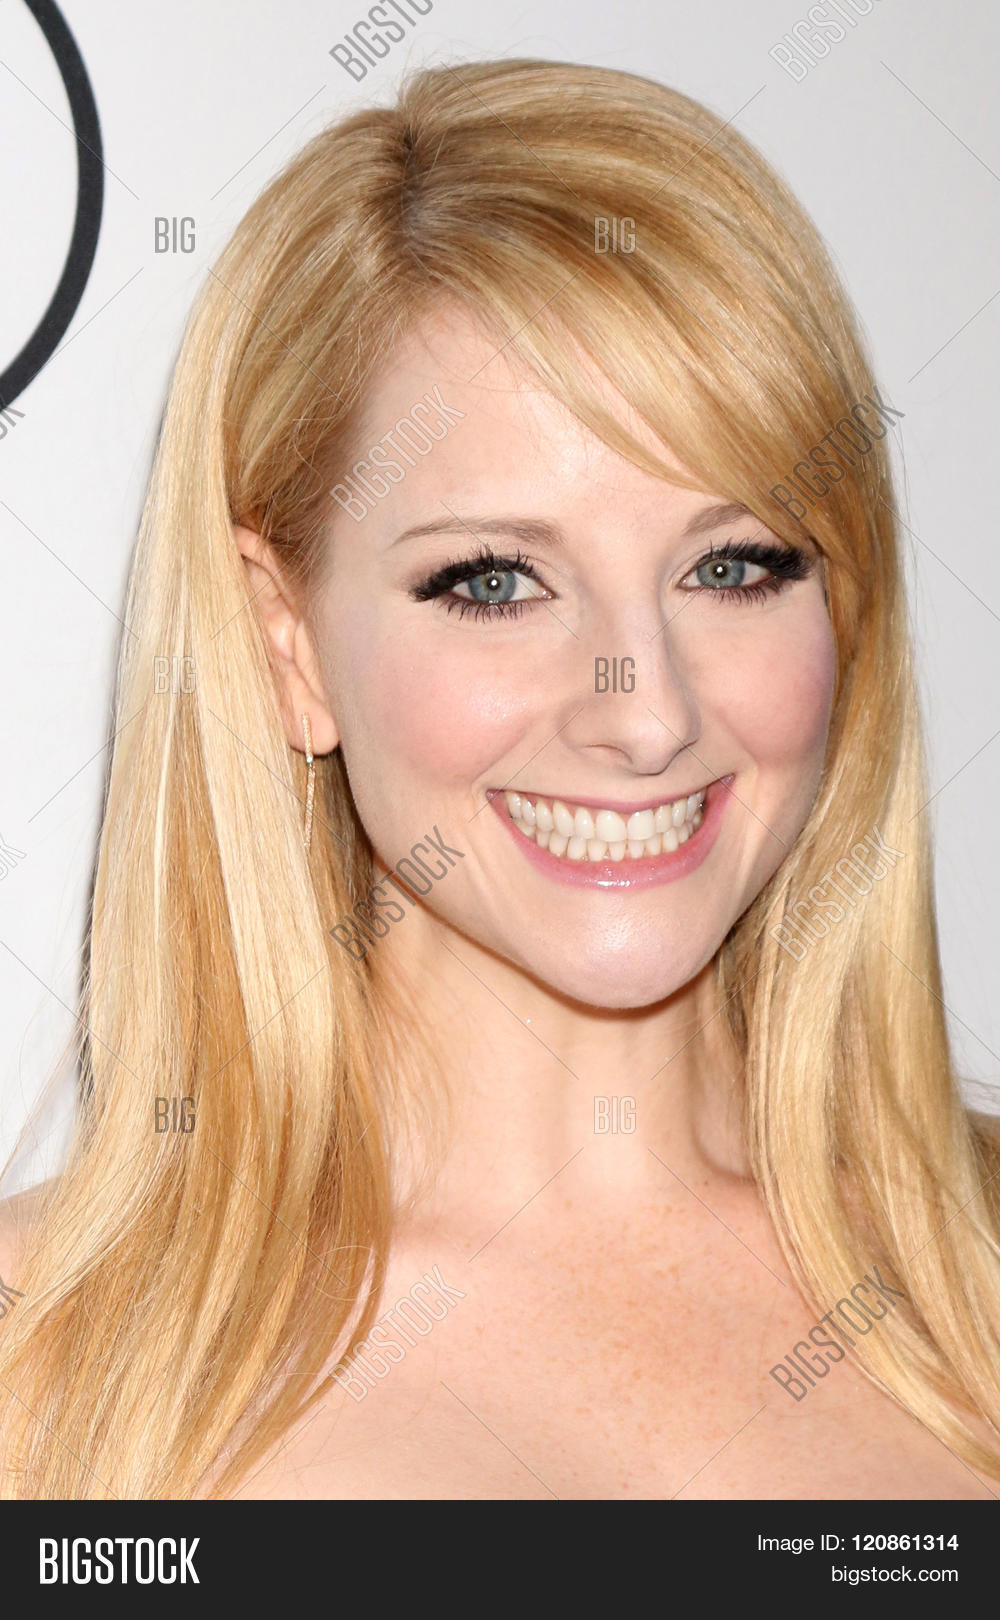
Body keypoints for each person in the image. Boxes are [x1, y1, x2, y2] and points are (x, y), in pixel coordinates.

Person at [2, 56, 998, 1501]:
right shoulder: (40, 1360)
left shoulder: (972, 1280)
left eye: (735, 566)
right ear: (287, 643)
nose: (645, 714)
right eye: (494, 581)